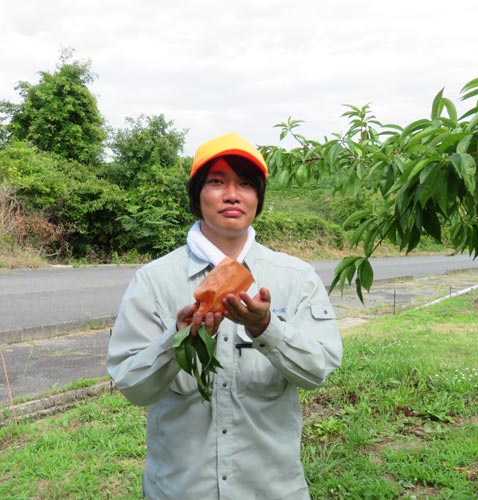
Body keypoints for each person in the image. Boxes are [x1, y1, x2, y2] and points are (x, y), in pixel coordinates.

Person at [107, 132, 343, 500]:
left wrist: (267, 329)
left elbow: (318, 370)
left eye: (246, 185)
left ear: (257, 199)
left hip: (271, 490)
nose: (232, 194)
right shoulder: (153, 281)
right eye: (217, 182)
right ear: (197, 195)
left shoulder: (295, 278)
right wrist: (178, 341)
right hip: (179, 490)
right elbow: (132, 386)